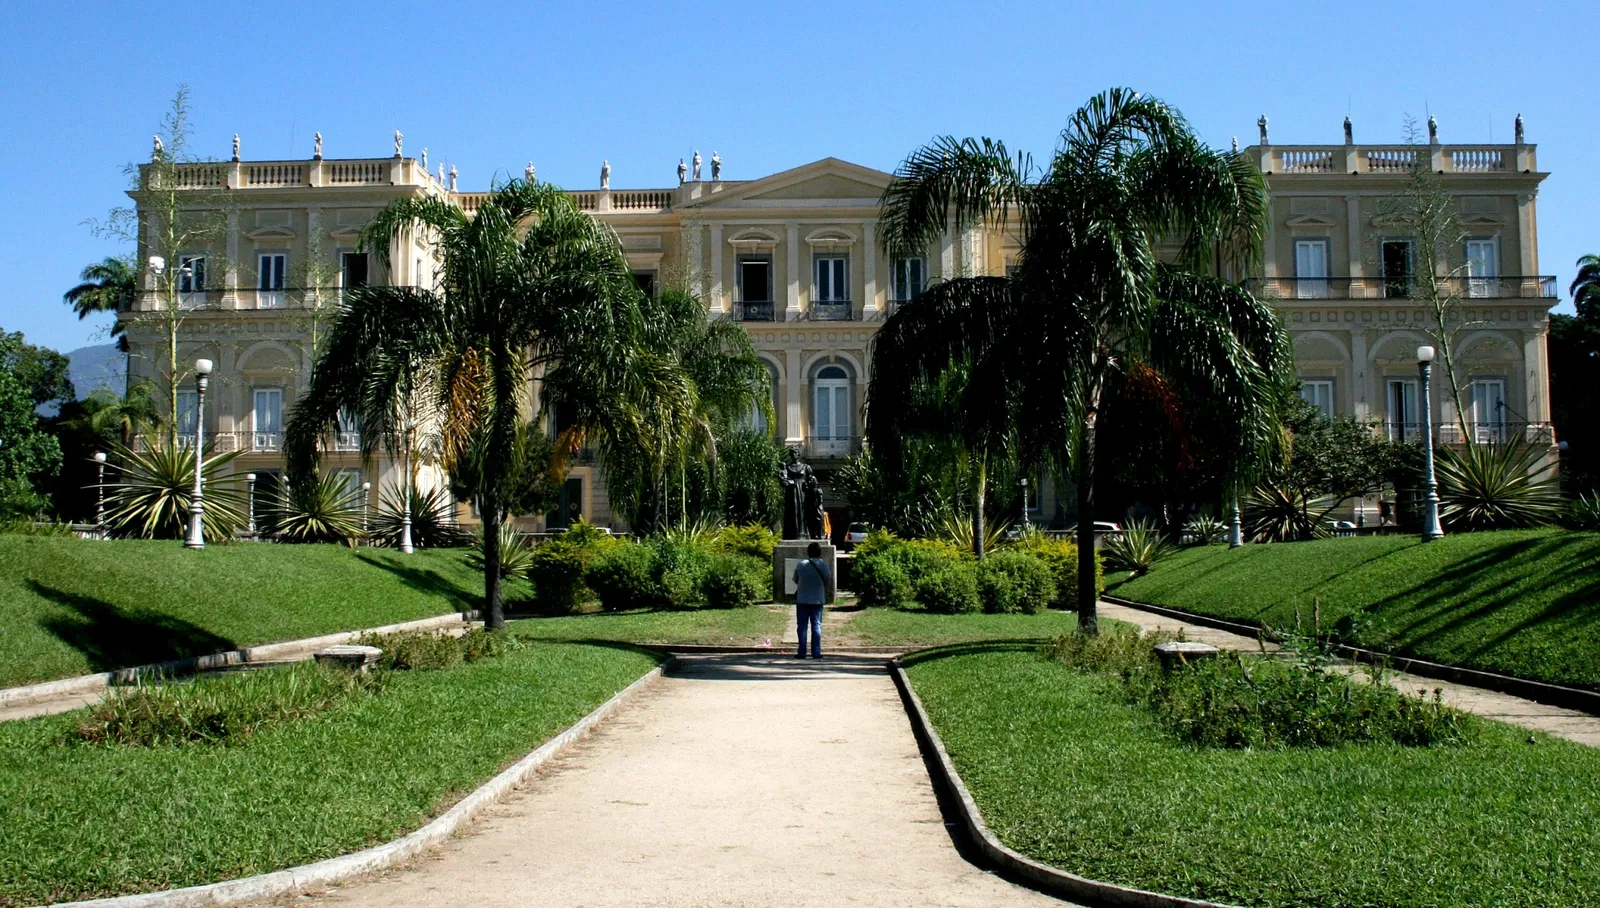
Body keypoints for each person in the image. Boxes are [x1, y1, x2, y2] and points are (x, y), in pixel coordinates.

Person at [792, 542, 831, 659]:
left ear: (808, 552)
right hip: (817, 599)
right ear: (820, 553)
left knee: (802, 626)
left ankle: (802, 651)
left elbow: (795, 579)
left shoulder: (801, 565)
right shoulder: (823, 566)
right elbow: (828, 580)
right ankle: (816, 652)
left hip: (802, 599)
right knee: (817, 625)